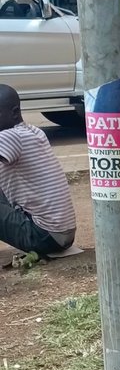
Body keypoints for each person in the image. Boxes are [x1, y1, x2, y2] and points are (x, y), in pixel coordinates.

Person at [0, 84, 77, 265]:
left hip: (44, 235)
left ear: (14, 112)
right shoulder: (34, 132)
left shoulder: (11, 137)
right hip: (62, 234)